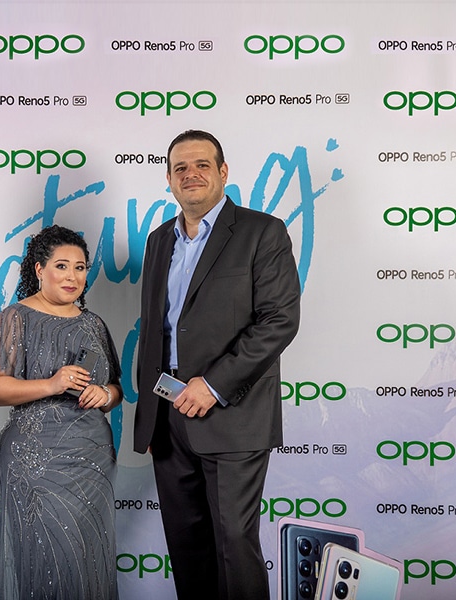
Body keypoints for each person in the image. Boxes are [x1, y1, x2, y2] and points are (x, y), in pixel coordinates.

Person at [134, 130, 301, 600]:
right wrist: (150, 414)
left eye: (202, 165)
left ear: (223, 172)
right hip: (169, 417)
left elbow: (279, 320)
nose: (191, 175)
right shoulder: (158, 241)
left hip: (232, 414)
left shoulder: (261, 232)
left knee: (233, 544)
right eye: (180, 168)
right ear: (169, 179)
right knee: (187, 547)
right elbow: (156, 330)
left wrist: (212, 385)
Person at [0, 224, 122, 600]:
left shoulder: (94, 324)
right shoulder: (15, 318)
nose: (72, 276)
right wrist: (51, 384)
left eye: (80, 267)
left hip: (92, 462)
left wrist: (105, 394)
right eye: (61, 266)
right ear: (40, 269)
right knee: (47, 563)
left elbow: (116, 388)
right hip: (37, 463)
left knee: (89, 562)